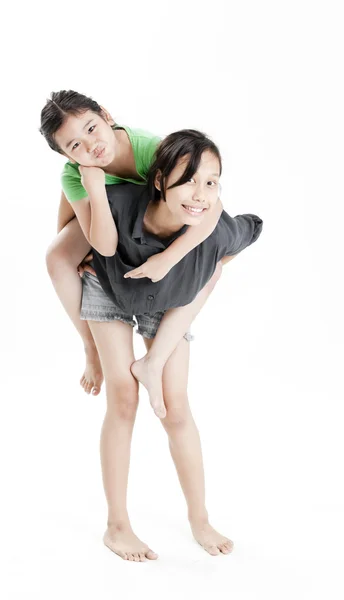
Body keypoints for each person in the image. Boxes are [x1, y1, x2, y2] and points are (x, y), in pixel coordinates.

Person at [76, 129, 263, 561]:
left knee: (175, 406)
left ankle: (200, 519)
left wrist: (208, 270)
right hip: (111, 285)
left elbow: (250, 231)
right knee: (123, 399)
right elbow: (72, 231)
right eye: (189, 180)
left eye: (211, 182)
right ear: (159, 180)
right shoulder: (120, 203)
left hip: (169, 293)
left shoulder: (214, 231)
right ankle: (117, 525)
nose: (200, 195)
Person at [40, 91, 224, 416]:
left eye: (91, 128)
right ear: (67, 156)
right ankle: (90, 346)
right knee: (57, 256)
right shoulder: (76, 174)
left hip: (159, 220)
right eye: (75, 146)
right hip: (109, 222)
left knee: (215, 263)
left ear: (107, 116)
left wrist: (167, 259)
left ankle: (157, 354)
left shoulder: (147, 148)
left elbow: (214, 207)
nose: (90, 145)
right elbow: (99, 240)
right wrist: (92, 191)